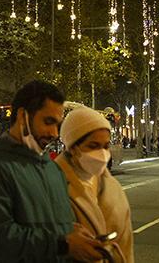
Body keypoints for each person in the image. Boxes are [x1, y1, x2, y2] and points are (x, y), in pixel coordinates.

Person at [0, 80, 105, 262]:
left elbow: (49, 226)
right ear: (22, 116)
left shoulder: (52, 170)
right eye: (48, 122)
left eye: (57, 125)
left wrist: (72, 232)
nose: (54, 133)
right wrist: (63, 243)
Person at [55, 106, 134, 263]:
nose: (102, 153)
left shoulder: (113, 188)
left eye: (105, 146)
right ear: (73, 148)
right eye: (93, 146)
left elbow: (126, 245)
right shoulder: (52, 185)